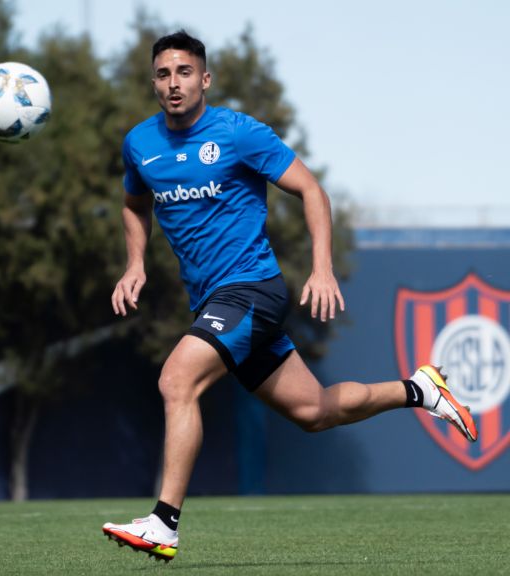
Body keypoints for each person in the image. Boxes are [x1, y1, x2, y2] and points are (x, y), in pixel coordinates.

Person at [102, 30, 477, 562]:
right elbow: (134, 203)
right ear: (153, 83)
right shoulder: (141, 143)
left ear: (204, 79)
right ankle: (419, 390)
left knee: (176, 379)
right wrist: (134, 263)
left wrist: (322, 269)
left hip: (252, 289)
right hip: (213, 301)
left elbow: (311, 189)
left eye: (184, 72)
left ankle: (164, 523)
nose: (174, 83)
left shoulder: (238, 134)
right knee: (315, 411)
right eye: (163, 74)